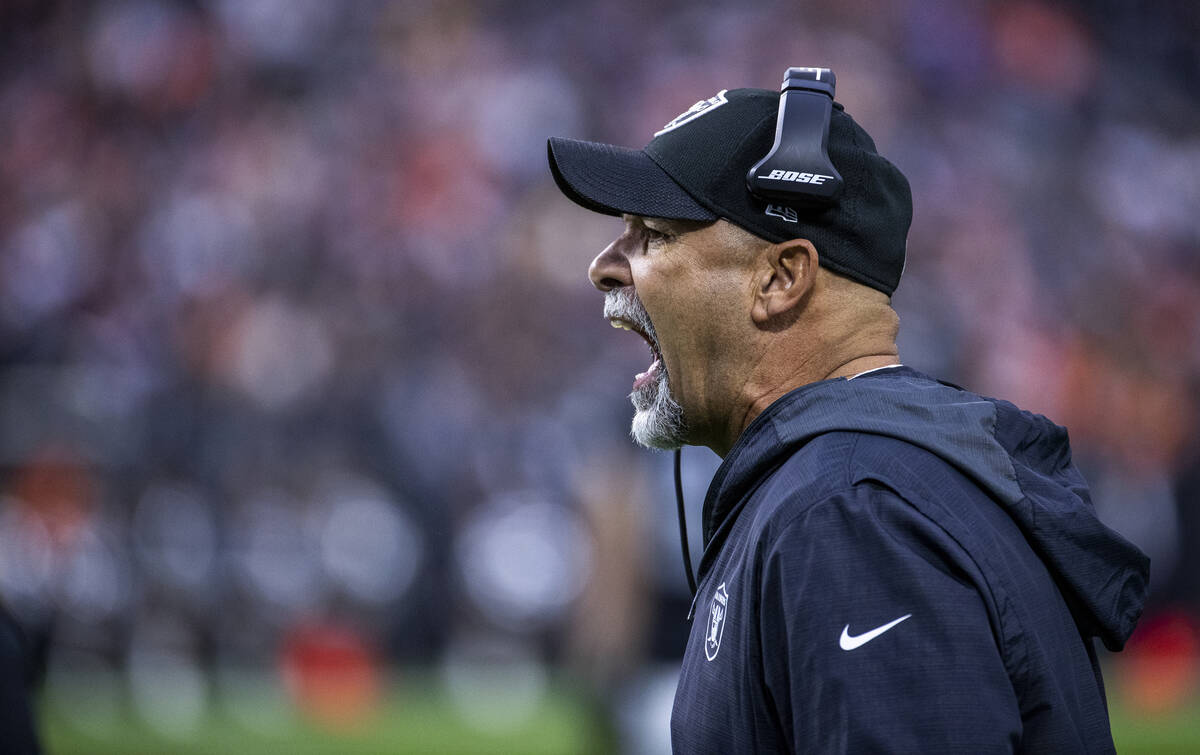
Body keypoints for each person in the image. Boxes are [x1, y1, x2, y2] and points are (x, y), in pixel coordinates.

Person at [547, 71, 1150, 753]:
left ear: (780, 278)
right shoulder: (860, 484)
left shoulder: (849, 514)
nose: (603, 265)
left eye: (653, 234)